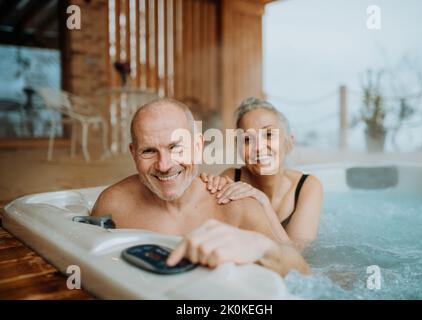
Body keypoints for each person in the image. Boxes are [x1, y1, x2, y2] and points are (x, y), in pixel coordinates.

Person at [92, 98, 309, 276]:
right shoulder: (113, 204)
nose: (164, 165)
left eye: (175, 147)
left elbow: (302, 273)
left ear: (197, 146)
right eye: (148, 151)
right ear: (133, 153)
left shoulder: (235, 204)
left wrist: (261, 246)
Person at [201, 97, 323, 251]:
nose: (258, 147)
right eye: (247, 139)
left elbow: (297, 260)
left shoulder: (307, 187)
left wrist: (263, 203)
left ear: (289, 143)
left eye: (269, 135)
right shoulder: (232, 178)